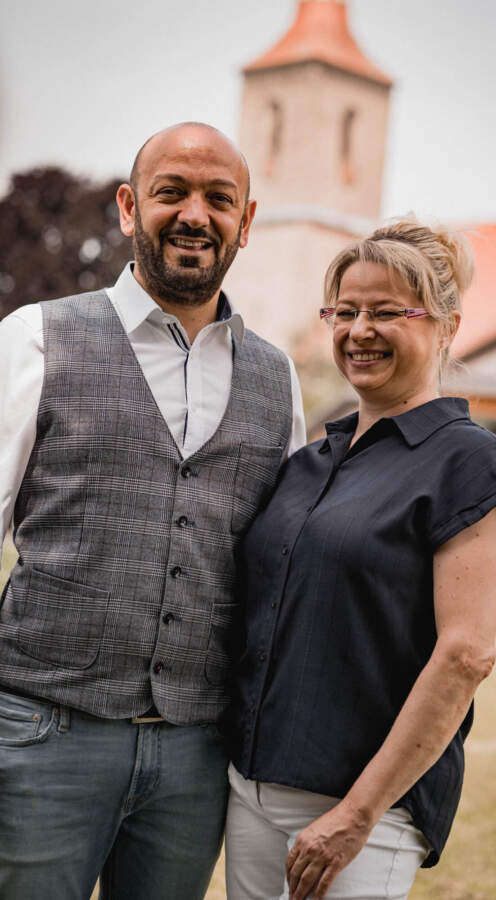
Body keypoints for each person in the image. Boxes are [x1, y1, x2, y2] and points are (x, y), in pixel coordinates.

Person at [0, 122, 305, 900]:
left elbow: (283, 566)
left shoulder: (279, 380)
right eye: (172, 192)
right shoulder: (37, 339)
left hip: (196, 759)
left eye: (219, 199)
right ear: (131, 207)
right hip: (40, 734)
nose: (195, 214)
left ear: (247, 220)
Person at [225, 217, 496, 900]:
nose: (359, 330)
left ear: (447, 326)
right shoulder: (309, 462)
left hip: (365, 816)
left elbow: (465, 657)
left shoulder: (467, 462)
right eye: (346, 310)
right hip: (250, 792)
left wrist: (355, 815)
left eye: (388, 312)